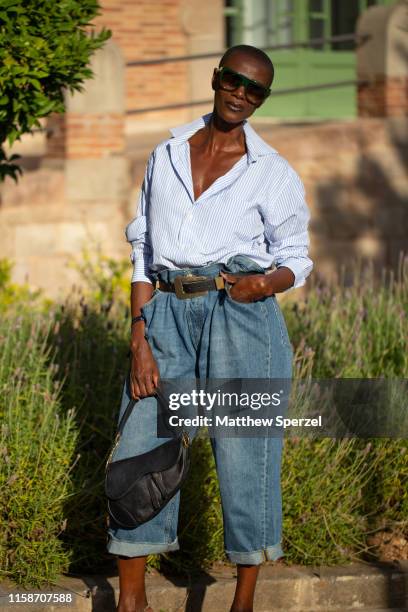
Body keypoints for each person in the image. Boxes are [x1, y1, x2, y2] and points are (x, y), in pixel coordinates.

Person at [107, 44, 313, 612]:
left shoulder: (272, 172)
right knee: (141, 447)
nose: (241, 95)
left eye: (256, 90)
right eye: (234, 81)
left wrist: (265, 285)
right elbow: (144, 246)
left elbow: (297, 255)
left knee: (246, 454)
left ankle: (242, 602)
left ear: (263, 99)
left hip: (241, 318)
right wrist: (138, 333)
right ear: (216, 77)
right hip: (167, 311)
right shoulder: (167, 152)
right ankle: (132, 602)